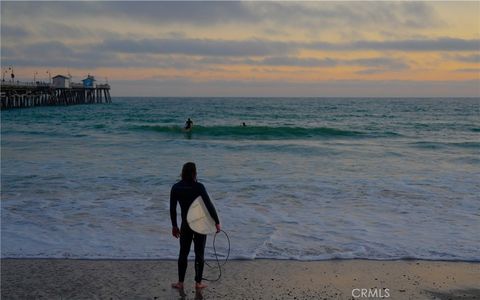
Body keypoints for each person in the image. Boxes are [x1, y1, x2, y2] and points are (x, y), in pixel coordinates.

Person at [170, 162, 221, 290]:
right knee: (199, 254)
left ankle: (180, 283)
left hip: (185, 225)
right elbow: (209, 205)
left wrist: (174, 226)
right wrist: (217, 222)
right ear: (194, 173)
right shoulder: (199, 187)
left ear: (182, 172)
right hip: (200, 225)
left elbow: (172, 209)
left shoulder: (176, 187)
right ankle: (198, 283)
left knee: (183, 253)